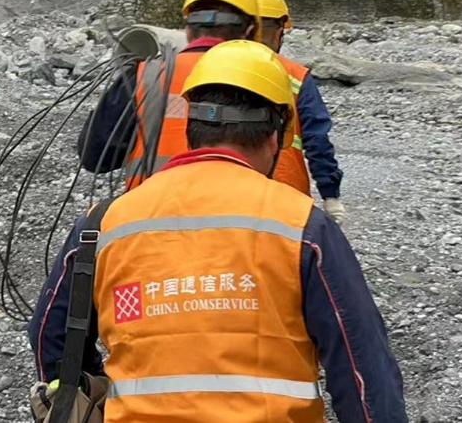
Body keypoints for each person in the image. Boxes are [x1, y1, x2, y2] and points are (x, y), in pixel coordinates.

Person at [28, 40, 407, 422]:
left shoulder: (103, 224)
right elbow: (363, 369)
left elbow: (50, 335)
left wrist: (89, 389)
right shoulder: (303, 227)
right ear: (275, 136)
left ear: (192, 128)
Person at [76, 0, 260, 189]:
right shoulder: (265, 80)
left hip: (147, 216)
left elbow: (95, 156)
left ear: (189, 30)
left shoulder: (144, 76)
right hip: (237, 215)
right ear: (250, 31)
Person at [251, 0, 347, 224]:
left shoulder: (212, 68)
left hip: (223, 188)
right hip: (286, 190)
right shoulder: (295, 75)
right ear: (279, 30)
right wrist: (330, 193)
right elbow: (317, 139)